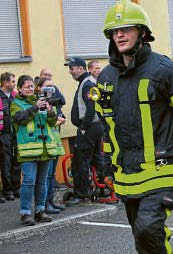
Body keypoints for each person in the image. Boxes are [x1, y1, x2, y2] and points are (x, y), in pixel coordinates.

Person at [99, 1, 173, 252]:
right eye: (115, 31)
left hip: (163, 170)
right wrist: (107, 167)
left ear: (142, 32)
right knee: (142, 237)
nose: (120, 35)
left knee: (149, 228)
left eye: (126, 29)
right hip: (127, 174)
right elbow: (108, 128)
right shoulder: (106, 78)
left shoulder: (165, 70)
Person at [11, 75, 58, 226]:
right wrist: (35, 107)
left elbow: (51, 122)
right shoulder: (16, 104)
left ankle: (40, 210)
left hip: (45, 149)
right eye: (27, 87)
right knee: (29, 181)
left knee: (42, 182)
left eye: (32, 86)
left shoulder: (41, 101)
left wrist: (50, 112)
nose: (30, 89)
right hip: (28, 150)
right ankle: (25, 213)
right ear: (19, 89)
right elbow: (20, 119)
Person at [64, 57, 105, 205]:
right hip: (95, 127)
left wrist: (83, 126)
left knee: (80, 161)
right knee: (96, 158)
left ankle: (81, 196)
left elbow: (91, 107)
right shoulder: (88, 82)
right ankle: (105, 186)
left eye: (72, 68)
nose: (70, 71)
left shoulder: (87, 83)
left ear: (80, 68)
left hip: (90, 127)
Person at [35, 78, 66, 214]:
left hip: (55, 142)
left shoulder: (52, 103)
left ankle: (51, 201)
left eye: (52, 86)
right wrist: (56, 121)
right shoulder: (39, 104)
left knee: (51, 175)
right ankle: (45, 203)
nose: (50, 89)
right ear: (39, 88)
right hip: (46, 144)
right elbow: (43, 122)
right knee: (45, 176)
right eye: (47, 87)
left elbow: (61, 108)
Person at [0, 72, 20, 202]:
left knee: (16, 160)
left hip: (15, 132)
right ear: (5, 82)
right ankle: (8, 190)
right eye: (12, 81)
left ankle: (16, 187)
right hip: (3, 133)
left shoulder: (14, 96)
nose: (14, 84)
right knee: (6, 161)